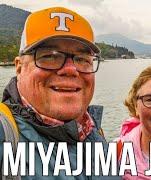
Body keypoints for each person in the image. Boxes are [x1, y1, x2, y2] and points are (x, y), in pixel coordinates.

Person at [0, 7, 120, 179]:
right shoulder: (5, 137)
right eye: (50, 56)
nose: (71, 69)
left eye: (82, 59)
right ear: (19, 67)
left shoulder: (92, 131)